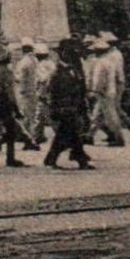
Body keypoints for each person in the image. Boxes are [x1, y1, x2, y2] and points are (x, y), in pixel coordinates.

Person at [44, 39, 95, 170]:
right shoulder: (59, 72)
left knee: (65, 133)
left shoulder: (71, 69)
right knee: (71, 133)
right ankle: (79, 158)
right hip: (65, 108)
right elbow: (55, 92)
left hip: (72, 107)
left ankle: (53, 157)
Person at [0, 43, 33, 167]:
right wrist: (15, 107)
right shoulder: (7, 70)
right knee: (10, 131)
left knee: (10, 131)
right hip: (6, 101)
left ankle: (0, 152)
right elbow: (10, 91)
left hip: (0, 100)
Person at [86, 38, 129, 147]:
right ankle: (89, 136)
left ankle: (119, 138)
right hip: (109, 91)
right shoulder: (109, 61)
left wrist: (93, 90)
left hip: (103, 92)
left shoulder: (100, 63)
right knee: (97, 115)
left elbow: (98, 79)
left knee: (111, 117)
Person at [12, 39, 41, 150]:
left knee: (25, 117)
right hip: (33, 91)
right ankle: (32, 138)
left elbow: (20, 78)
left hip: (24, 92)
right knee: (32, 116)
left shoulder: (23, 62)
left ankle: (29, 140)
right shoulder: (34, 60)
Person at [33, 42, 56, 143]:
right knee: (39, 116)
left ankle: (65, 137)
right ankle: (38, 136)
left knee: (50, 118)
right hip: (50, 94)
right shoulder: (52, 64)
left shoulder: (41, 65)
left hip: (44, 94)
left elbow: (43, 79)